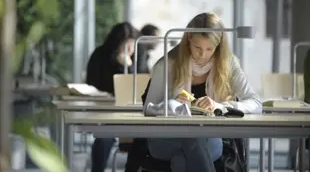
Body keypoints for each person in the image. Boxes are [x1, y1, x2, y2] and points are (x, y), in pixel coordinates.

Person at [142, 12, 262, 172]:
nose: (202, 54)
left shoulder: (228, 63)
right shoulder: (166, 65)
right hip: (165, 139)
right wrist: (171, 105)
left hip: (211, 138)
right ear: (188, 38)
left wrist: (221, 106)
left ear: (218, 45)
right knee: (193, 139)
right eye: (197, 47)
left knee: (182, 161)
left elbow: (256, 103)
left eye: (209, 49)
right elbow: (148, 110)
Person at [86, 22, 139, 172]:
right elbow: (93, 83)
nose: (130, 51)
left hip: (132, 112)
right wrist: (119, 67)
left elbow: (142, 82)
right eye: (126, 47)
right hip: (104, 110)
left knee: (145, 139)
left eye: (132, 47)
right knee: (104, 137)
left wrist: (129, 67)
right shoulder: (100, 55)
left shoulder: (136, 58)